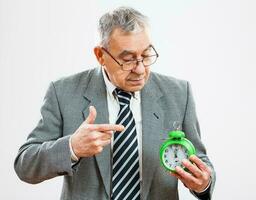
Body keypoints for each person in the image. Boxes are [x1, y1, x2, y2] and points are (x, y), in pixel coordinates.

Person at [14, 6, 215, 200]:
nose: (140, 69)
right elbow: (25, 165)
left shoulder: (179, 93)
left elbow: (201, 162)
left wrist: (203, 183)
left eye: (145, 55)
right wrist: (72, 148)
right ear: (100, 55)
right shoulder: (63, 92)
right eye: (127, 60)